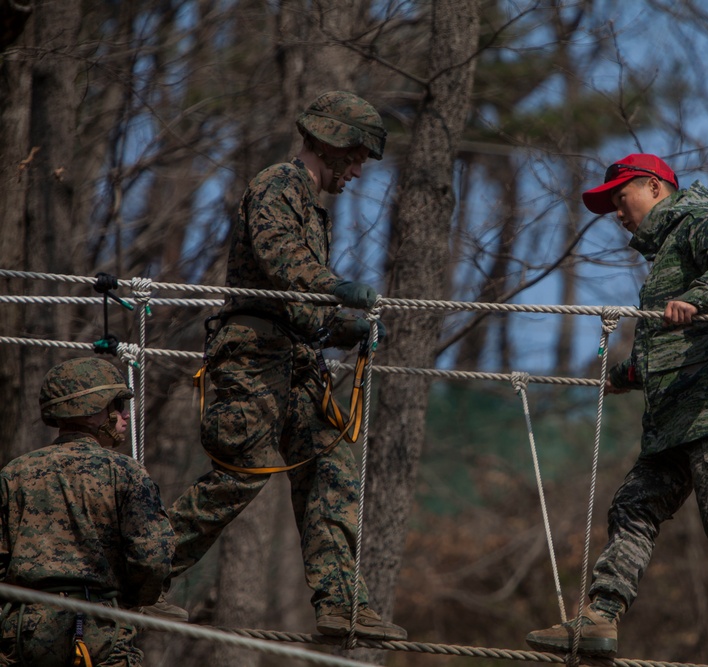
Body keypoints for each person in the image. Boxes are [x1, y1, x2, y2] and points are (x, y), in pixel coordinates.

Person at [525, 154, 708, 667]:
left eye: (619, 199)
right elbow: (669, 341)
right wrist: (629, 375)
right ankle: (599, 618)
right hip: (676, 417)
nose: (616, 213)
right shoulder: (666, 253)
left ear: (653, 187)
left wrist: (701, 295)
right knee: (633, 505)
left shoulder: (698, 218)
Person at [153, 90, 406, 641]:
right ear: (330, 143)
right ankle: (141, 575)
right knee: (239, 477)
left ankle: (341, 603)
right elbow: (277, 257)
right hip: (251, 361)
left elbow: (292, 295)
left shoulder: (312, 206)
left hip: (295, 362)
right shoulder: (276, 185)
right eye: (357, 156)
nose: (359, 171)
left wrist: (339, 325)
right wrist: (334, 288)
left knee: (331, 470)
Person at [0, 357, 175, 666]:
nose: (124, 415)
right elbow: (152, 559)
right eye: (118, 404)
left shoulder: (14, 473)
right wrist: (133, 603)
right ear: (94, 411)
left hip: (24, 631)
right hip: (100, 629)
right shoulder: (125, 473)